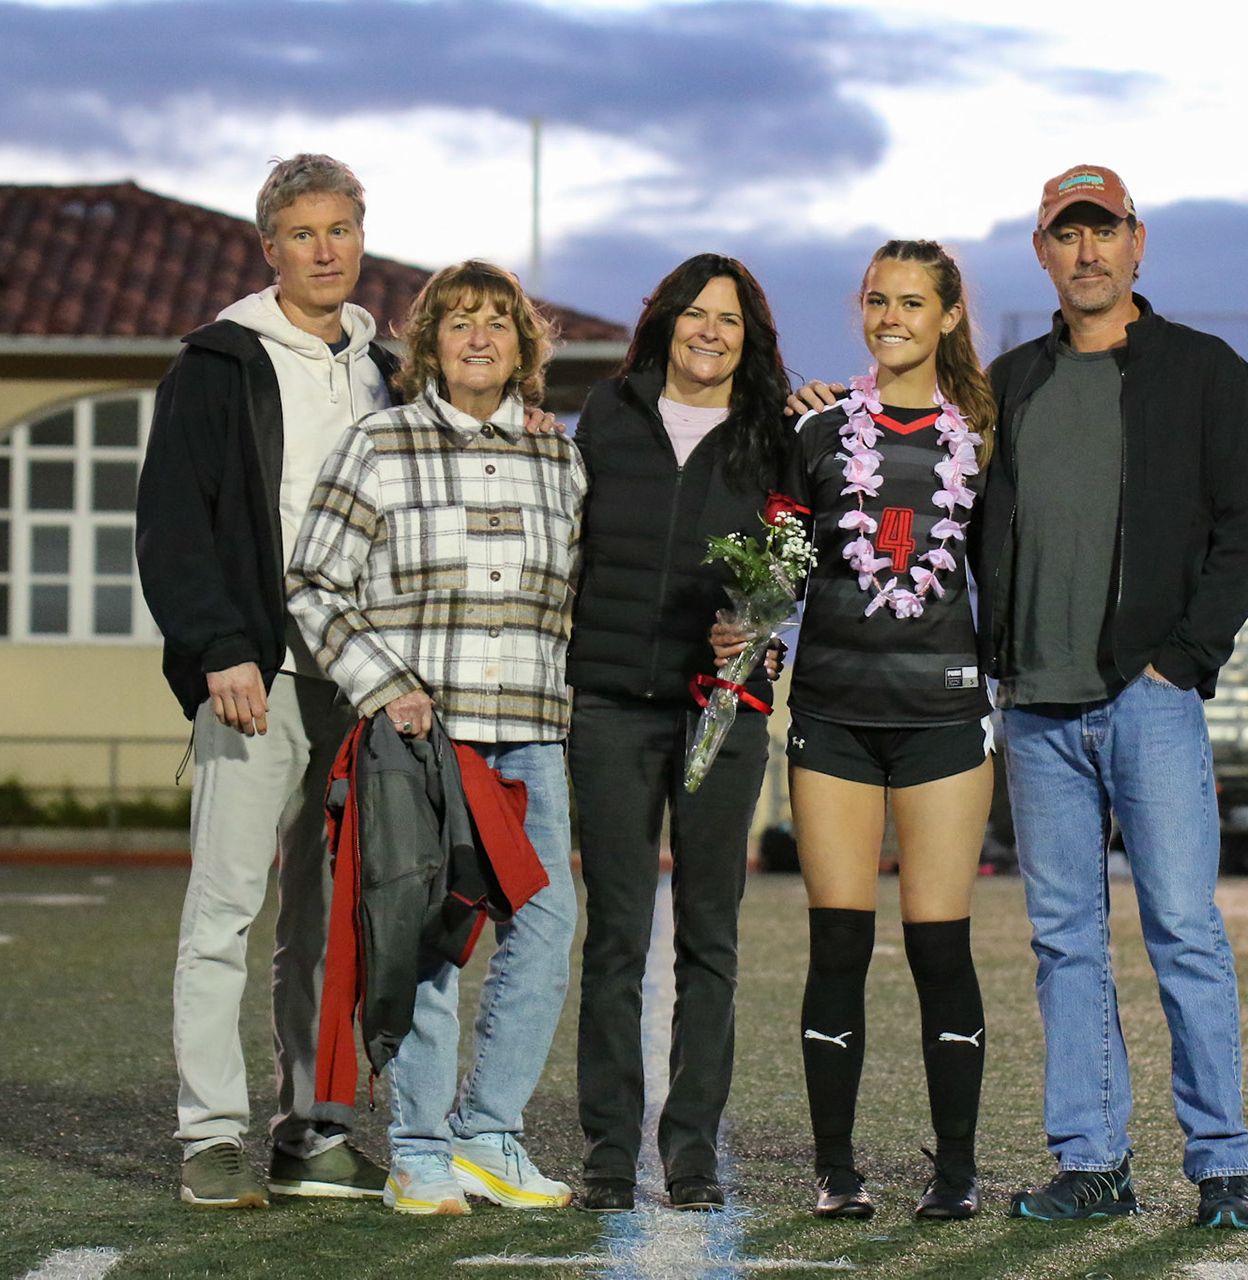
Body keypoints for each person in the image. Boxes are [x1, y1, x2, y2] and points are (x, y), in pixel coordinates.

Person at [978, 166, 1248, 1230]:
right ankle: (1094, 1160)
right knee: (1065, 941)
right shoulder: (1007, 382)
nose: (1087, 252)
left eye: (1103, 231)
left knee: (1184, 929)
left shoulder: (1203, 370)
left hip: (1148, 699)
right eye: (1067, 235)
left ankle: (1223, 1164)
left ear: (1137, 242)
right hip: (1036, 708)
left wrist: (1181, 658)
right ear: (1042, 253)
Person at [287, 260, 587, 1216]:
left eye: (498, 321)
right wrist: (387, 687)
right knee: (424, 934)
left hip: (532, 732)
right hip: (426, 739)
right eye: (459, 321)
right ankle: (418, 1151)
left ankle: (488, 1133)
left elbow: (579, 595)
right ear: (429, 345)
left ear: (523, 347)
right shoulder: (378, 445)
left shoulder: (559, 458)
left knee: (546, 927)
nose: (478, 337)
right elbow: (313, 581)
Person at [136, 154, 398, 1209]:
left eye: (340, 230)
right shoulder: (217, 365)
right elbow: (173, 524)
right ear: (269, 248)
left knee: (328, 926)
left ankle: (312, 1130)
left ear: (361, 237)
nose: (324, 251)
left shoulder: (390, 371)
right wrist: (219, 648)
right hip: (256, 675)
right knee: (224, 914)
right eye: (302, 234)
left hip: (360, 682)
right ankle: (209, 1136)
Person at [563, 255, 792, 1214]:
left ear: (751, 337)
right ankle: (610, 1153)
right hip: (611, 704)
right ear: (664, 321)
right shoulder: (608, 413)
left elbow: (791, 563)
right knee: (615, 936)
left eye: (729, 320)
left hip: (721, 710)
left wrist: (763, 627)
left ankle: (693, 1152)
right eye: (695, 313)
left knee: (709, 938)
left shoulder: (776, 431)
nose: (710, 332)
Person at [778, 240, 998, 1222]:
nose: (892, 318)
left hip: (943, 718)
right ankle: (837, 1169)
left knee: (939, 947)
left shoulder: (984, 434)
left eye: (912, 302)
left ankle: (956, 1171)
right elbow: (777, 561)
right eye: (878, 300)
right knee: (838, 944)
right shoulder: (816, 426)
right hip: (833, 714)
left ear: (948, 316)